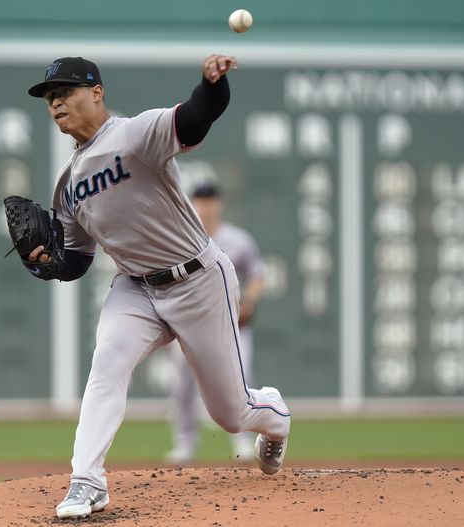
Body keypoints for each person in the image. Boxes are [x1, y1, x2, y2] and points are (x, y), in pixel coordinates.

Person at [24, 54, 291, 520]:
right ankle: (87, 482)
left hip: (198, 279)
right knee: (107, 362)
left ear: (97, 93)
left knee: (231, 414)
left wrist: (211, 85)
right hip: (136, 289)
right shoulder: (67, 184)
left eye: (65, 93)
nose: (56, 104)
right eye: (50, 98)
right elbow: (77, 261)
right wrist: (49, 262)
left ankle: (274, 416)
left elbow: (194, 118)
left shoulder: (135, 134)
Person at [165, 180, 266, 465]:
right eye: (199, 200)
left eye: (209, 200)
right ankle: (184, 443)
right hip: (188, 325)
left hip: (231, 325)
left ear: (218, 204)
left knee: (242, 379)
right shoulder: (180, 238)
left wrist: (250, 299)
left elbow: (257, 273)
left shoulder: (238, 240)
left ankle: (243, 440)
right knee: (182, 385)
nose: (204, 206)